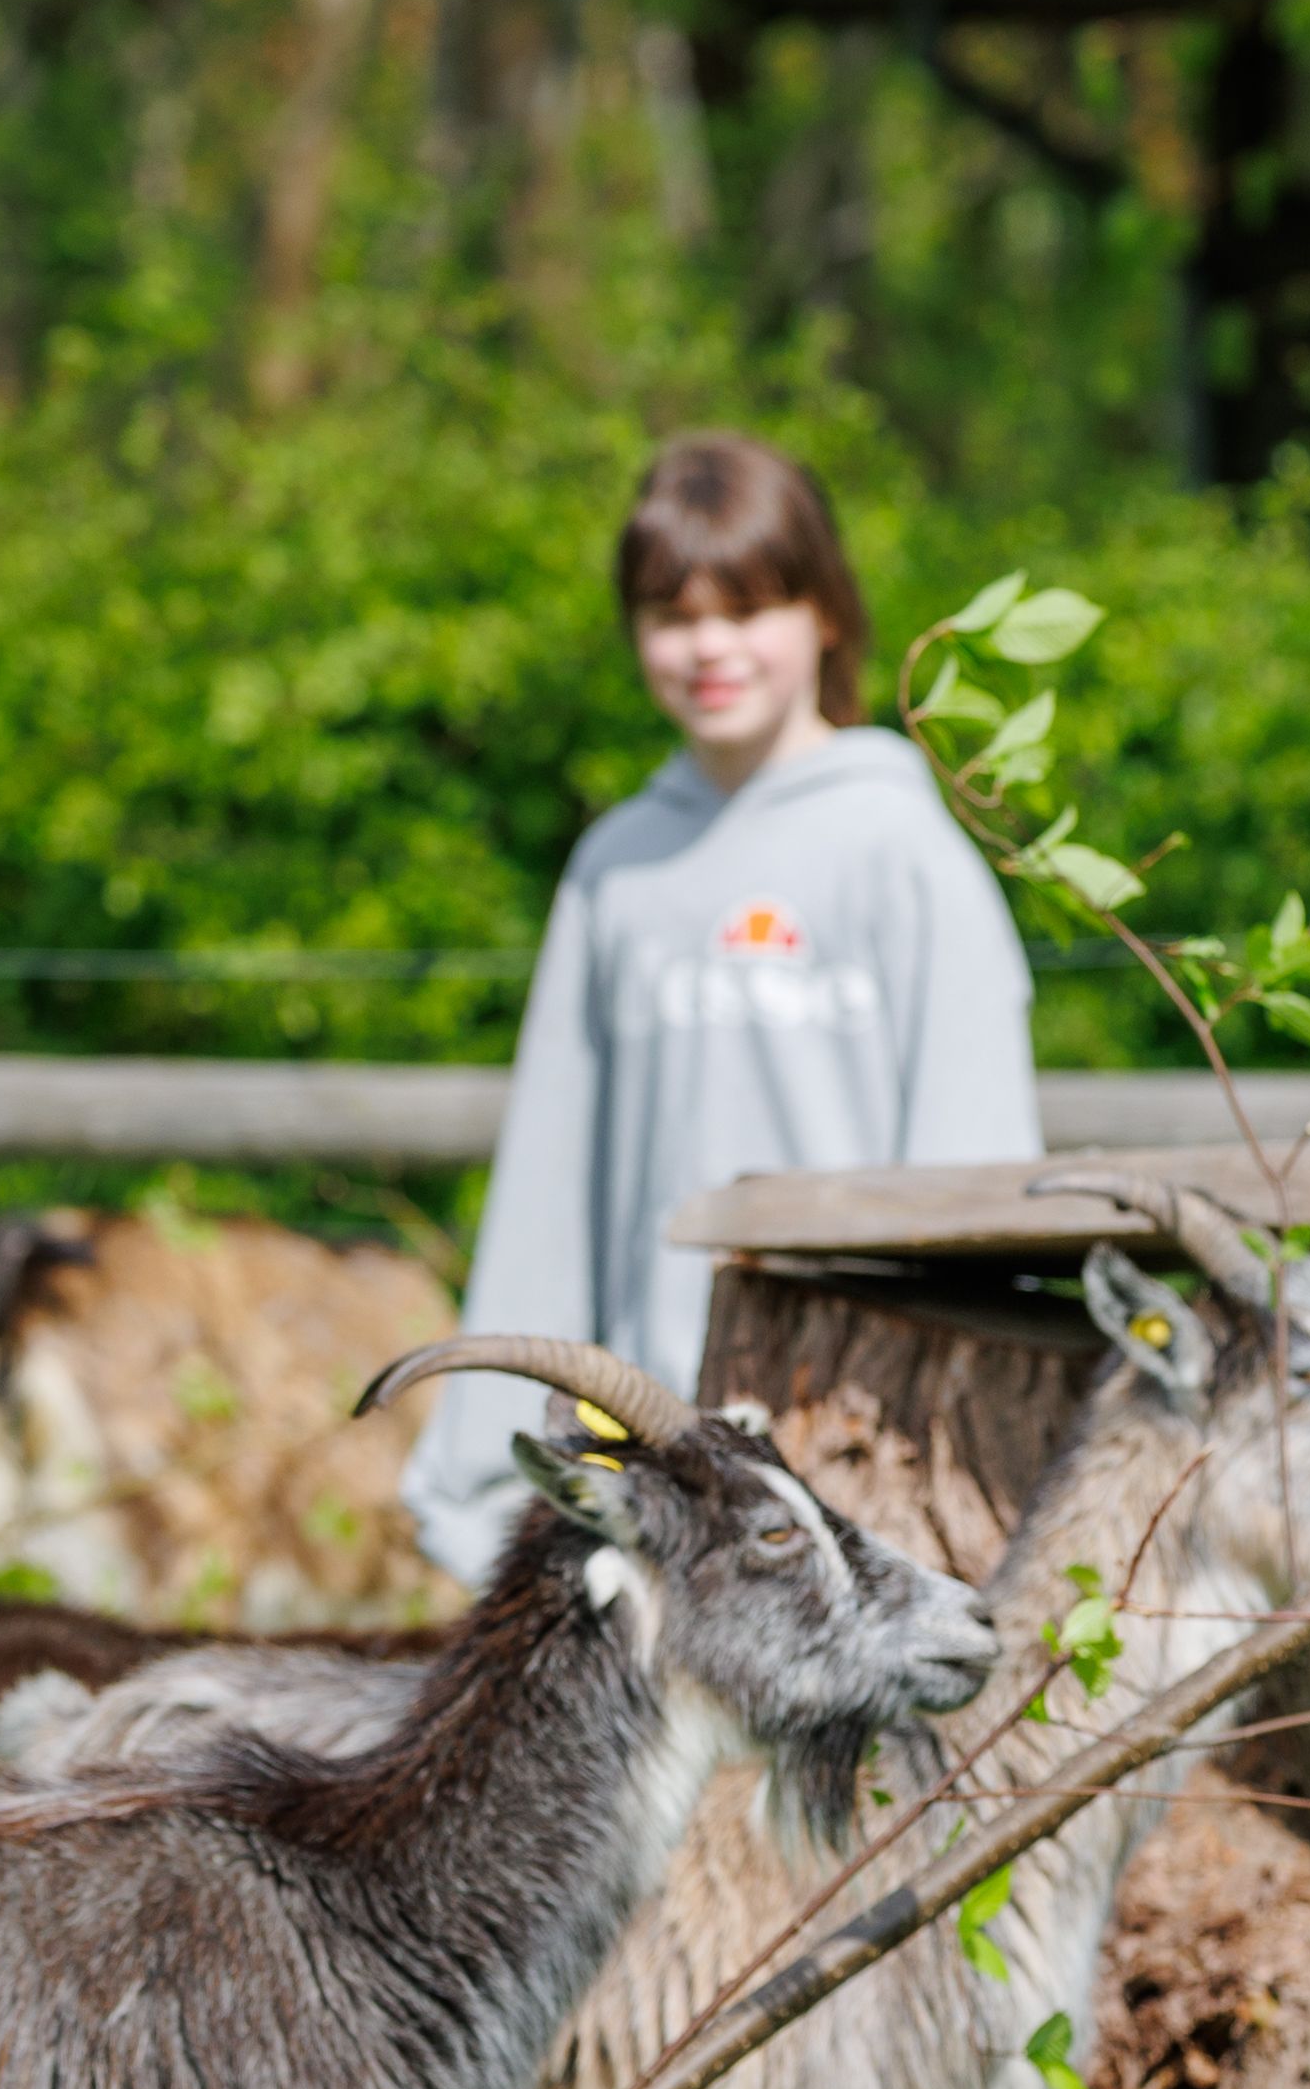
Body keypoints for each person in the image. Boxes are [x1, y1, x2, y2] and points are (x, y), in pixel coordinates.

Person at [405, 432, 1043, 1581]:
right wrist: (479, 1485)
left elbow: (976, 1170)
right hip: (664, 1470)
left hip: (869, 1461)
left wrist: (949, 1457)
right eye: (671, 615)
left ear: (825, 614)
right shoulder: (617, 868)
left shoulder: (901, 849)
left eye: (747, 608)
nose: (710, 647)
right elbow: (552, 1183)